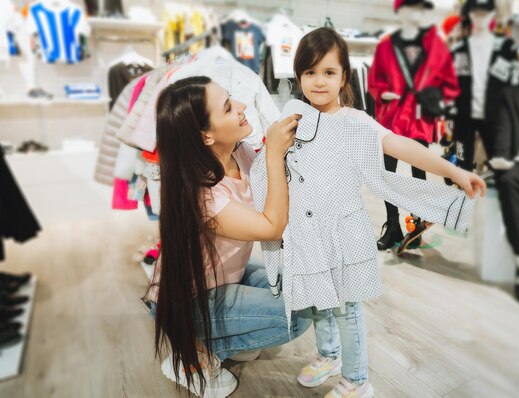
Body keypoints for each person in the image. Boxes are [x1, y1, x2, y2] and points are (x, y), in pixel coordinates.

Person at [287, 27, 486, 398]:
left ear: (345, 76)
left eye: (328, 72)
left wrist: (454, 170)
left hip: (343, 233)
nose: (318, 81)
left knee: (347, 308)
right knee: (318, 298)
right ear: (298, 76)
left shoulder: (354, 122)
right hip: (307, 232)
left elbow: (401, 145)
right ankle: (328, 355)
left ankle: (357, 380)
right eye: (310, 72)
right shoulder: (294, 119)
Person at [142, 76, 312, 397]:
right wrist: (274, 152)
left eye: (233, 98)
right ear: (205, 135)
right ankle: (194, 354)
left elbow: (277, 193)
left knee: (303, 285)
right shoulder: (201, 192)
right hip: (188, 301)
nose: (242, 107)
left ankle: (224, 335)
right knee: (298, 315)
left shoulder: (239, 151)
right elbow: (270, 226)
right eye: (229, 107)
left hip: (226, 276)